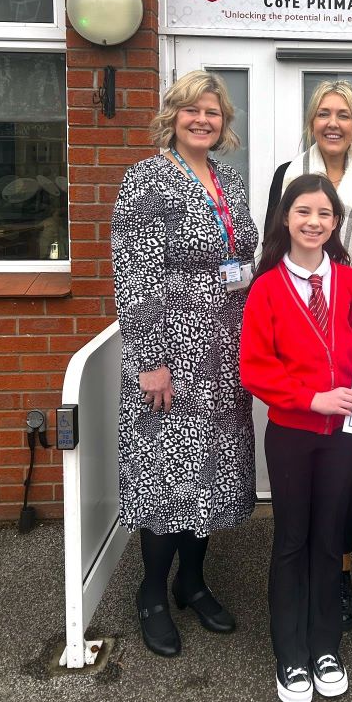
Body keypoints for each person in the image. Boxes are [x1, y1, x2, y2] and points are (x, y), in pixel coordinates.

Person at [111, 70, 258, 658]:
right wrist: (150, 359)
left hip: (225, 347)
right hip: (172, 349)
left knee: (212, 470)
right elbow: (135, 271)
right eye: (192, 110)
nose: (203, 120)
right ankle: (151, 592)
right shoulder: (146, 180)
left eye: (214, 113)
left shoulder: (228, 180)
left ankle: (192, 581)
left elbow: (243, 257)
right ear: (172, 116)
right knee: (167, 470)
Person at [265, 79, 352, 630]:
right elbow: (275, 245)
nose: (333, 123)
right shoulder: (286, 176)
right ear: (311, 121)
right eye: (324, 113)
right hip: (302, 342)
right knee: (302, 476)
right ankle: (300, 575)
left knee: (350, 478)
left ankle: (340, 570)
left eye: (343, 113)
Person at [240, 174, 352, 702]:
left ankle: (324, 647)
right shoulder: (267, 287)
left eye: (324, 213)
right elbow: (254, 368)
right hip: (293, 434)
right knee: (292, 541)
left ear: (336, 222)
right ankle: (289, 653)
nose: (313, 222)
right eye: (303, 212)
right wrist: (309, 398)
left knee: (328, 541)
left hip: (343, 439)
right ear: (286, 219)